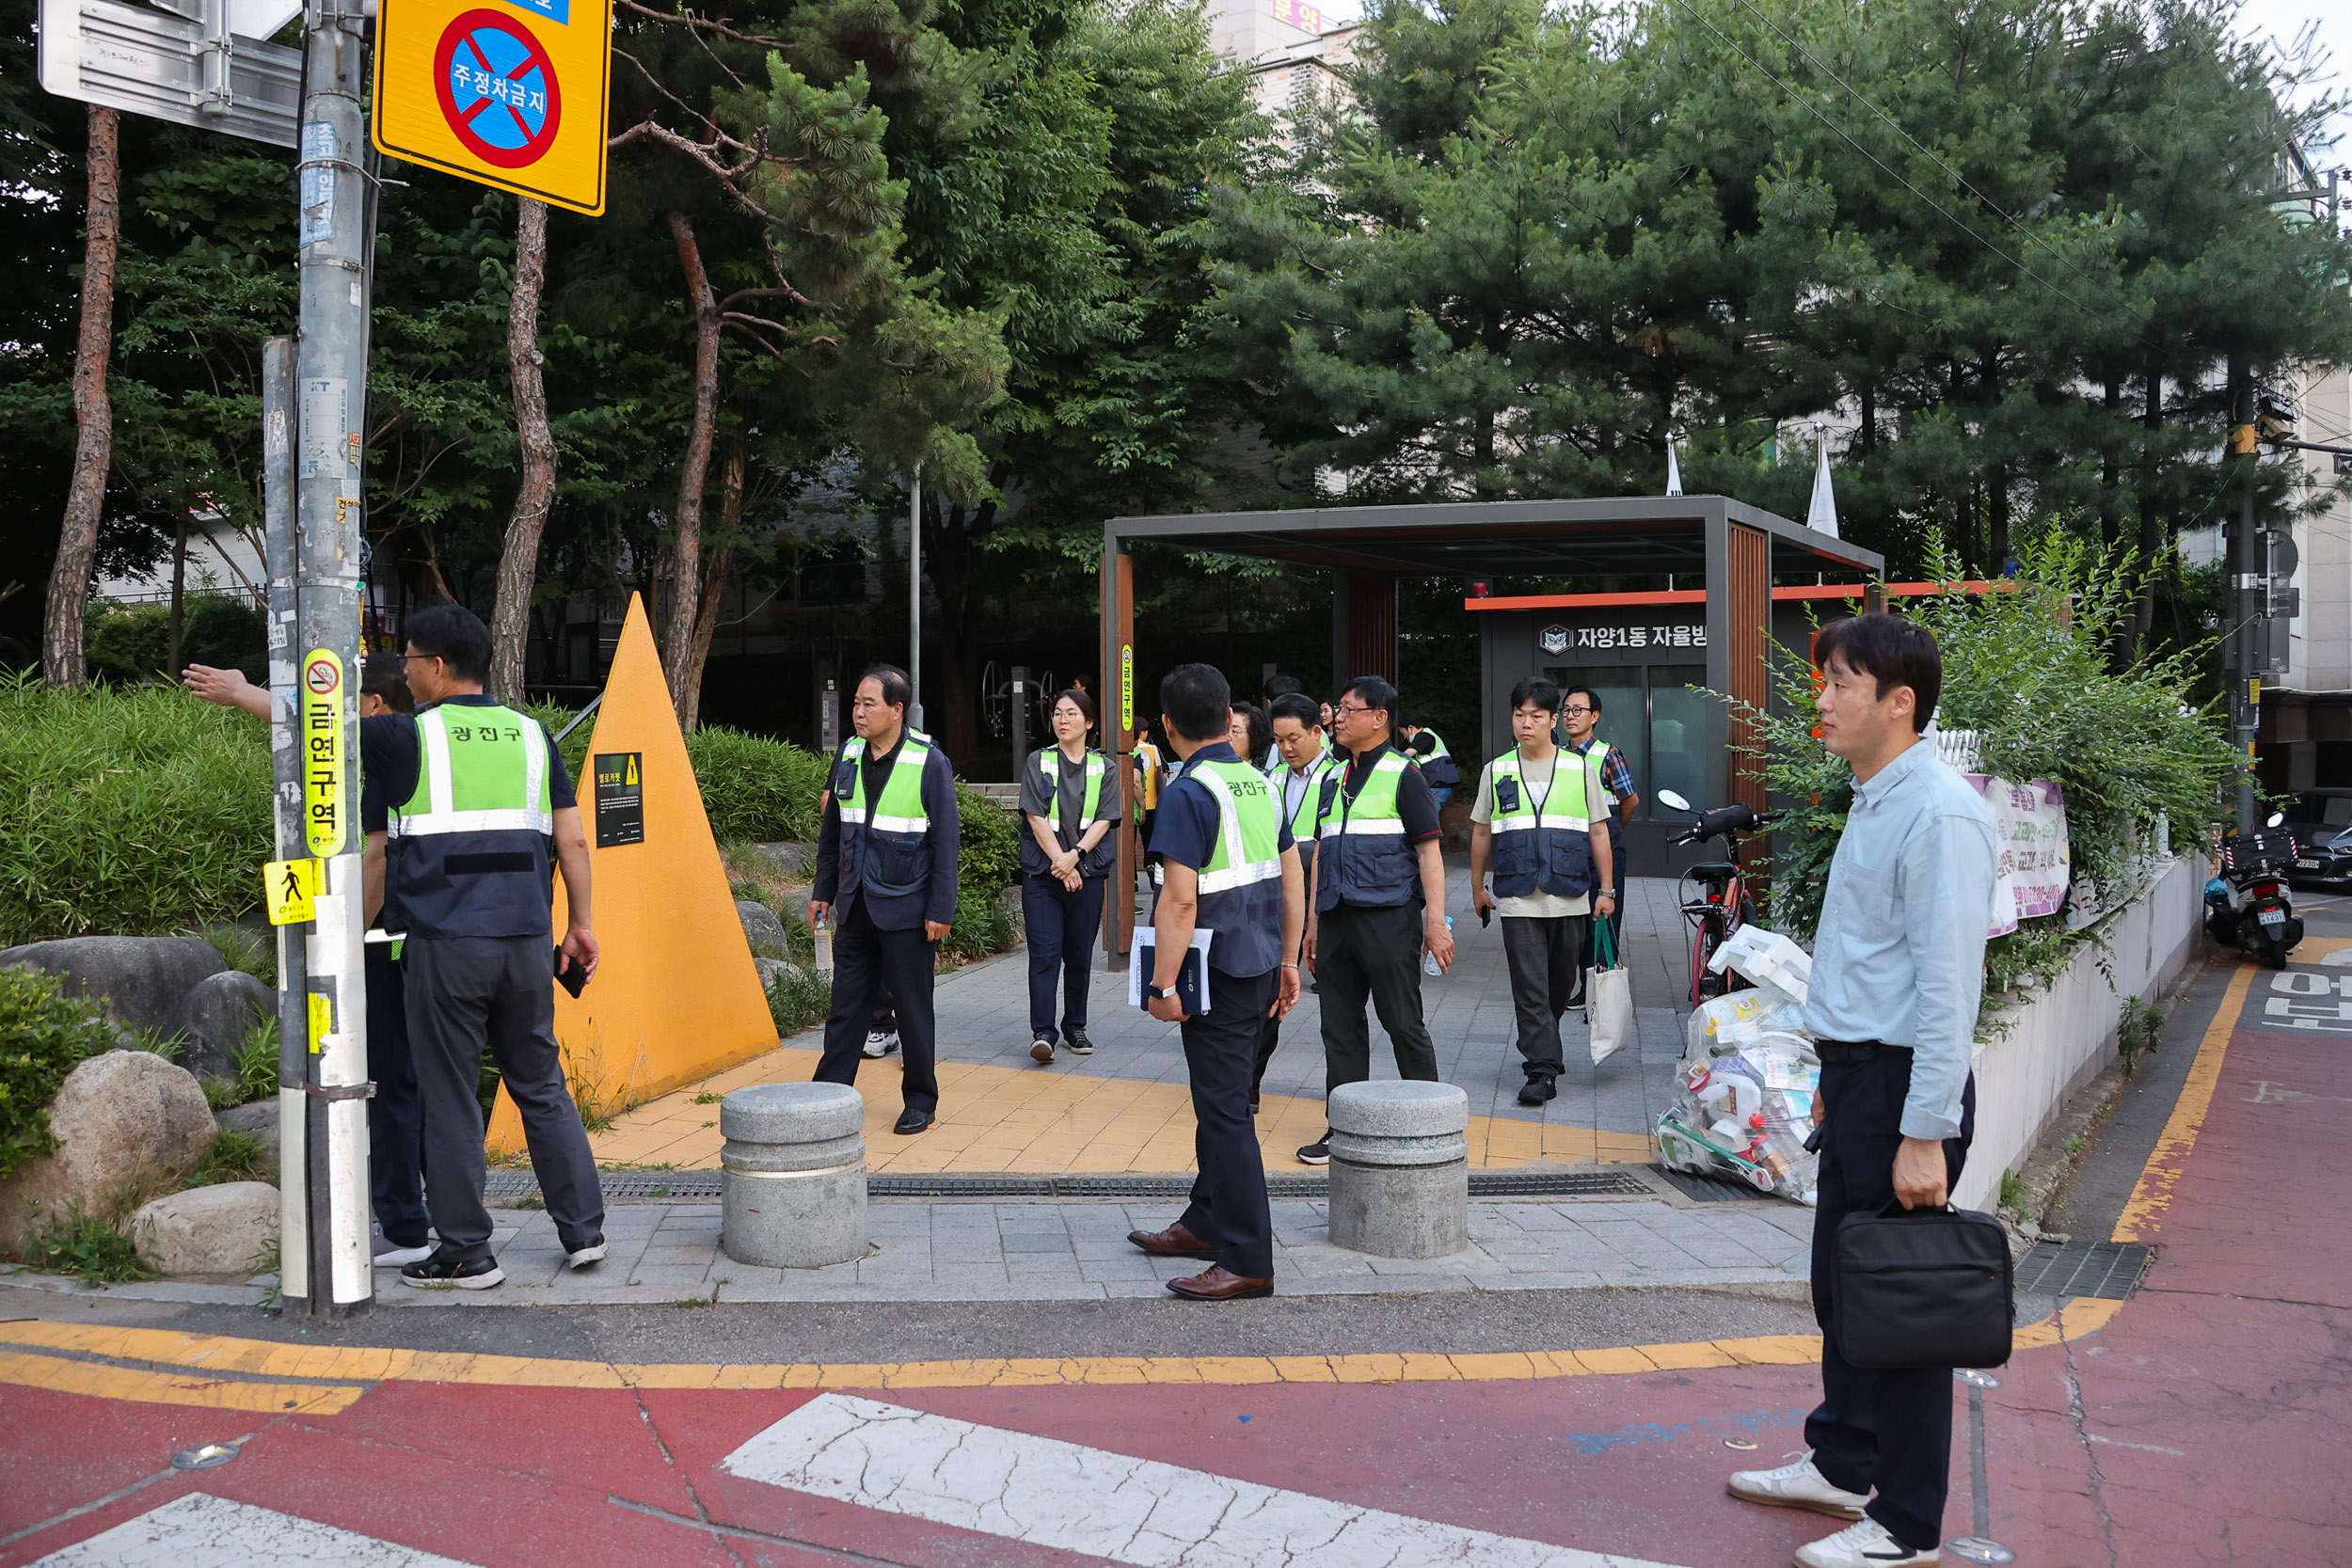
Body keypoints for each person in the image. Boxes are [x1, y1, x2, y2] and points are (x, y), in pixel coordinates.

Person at [183, 602, 608, 1291]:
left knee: (447, 1094)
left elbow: (320, 726)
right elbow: (574, 839)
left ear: (437, 667)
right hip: (529, 942)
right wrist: (580, 924)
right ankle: (584, 1232)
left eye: (409, 659)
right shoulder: (533, 735)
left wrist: (241, 692)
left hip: (448, 945)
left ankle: (469, 1251)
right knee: (542, 1084)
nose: (404, 672)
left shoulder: (408, 738)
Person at [1724, 613, 1994, 1568]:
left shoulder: (1940, 811)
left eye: (1839, 682)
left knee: (1906, 1305)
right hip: (1862, 1078)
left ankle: (1909, 1521)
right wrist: (1842, 1085)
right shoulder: (1877, 795)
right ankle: (1842, 1462)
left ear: (1899, 701)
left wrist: (1922, 1127)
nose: (1821, 699)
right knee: (1846, 1286)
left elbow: (1946, 985)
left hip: (1903, 1086)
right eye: (1823, 680)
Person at [1125, 663, 1305, 1301]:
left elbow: (1179, 901)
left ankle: (1250, 1257)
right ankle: (1205, 1220)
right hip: (1257, 965)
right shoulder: (1257, 780)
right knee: (1217, 1102)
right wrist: (1290, 960)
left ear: (1167, 725)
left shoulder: (1186, 791)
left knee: (1226, 1113)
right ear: (1230, 715)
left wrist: (1161, 984)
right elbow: (1291, 874)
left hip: (1216, 974)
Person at [1295, 674, 1454, 1166]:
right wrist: (1313, 923)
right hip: (1337, 917)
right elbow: (1322, 850)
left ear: (1379, 717)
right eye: (1338, 709)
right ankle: (1342, 1126)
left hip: (1389, 917)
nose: (1337, 717)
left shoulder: (1405, 774)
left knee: (1402, 1021)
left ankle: (1432, 1122)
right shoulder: (1332, 777)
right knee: (1339, 1028)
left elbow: (1430, 852)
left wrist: (1437, 924)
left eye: (1348, 709)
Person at [810, 665, 960, 1134]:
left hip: (908, 909)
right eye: (856, 703)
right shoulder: (849, 754)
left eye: (868, 704)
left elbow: (946, 843)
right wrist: (824, 891)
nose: (858, 712)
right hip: (855, 904)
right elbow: (834, 830)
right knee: (847, 1007)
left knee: (912, 1008)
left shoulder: (928, 760)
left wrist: (940, 909)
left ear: (897, 711)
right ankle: (827, 1096)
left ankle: (920, 1099)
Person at [1468, 676, 1615, 1107]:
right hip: (1517, 892)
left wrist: (1606, 891)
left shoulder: (1579, 768)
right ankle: (1542, 1069)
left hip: (1570, 892)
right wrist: (1478, 886)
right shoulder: (1496, 770)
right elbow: (1481, 831)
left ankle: (1542, 1043)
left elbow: (1599, 831)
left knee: (1558, 984)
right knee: (1529, 986)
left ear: (1554, 720)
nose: (1525, 723)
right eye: (1519, 715)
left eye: (1535, 716)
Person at [355, 657, 430, 1270]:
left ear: (375, 705)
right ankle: (449, 1215)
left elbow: (376, 858)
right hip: (435, 939)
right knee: (433, 1082)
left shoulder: (385, 762)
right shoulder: (434, 751)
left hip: (385, 944)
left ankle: (404, 1222)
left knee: (393, 1081)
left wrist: (347, 934)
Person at [1020, 689, 1119, 1063]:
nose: (1063, 720)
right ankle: (1043, 1032)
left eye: (1072, 714)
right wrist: (1061, 863)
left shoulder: (1104, 767)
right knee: (1044, 955)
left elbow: (1105, 819)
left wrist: (1074, 858)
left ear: (1089, 722)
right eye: (1058, 713)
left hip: (1086, 874)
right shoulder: (1038, 761)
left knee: (1079, 955)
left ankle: (1075, 1026)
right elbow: (1035, 816)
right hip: (1043, 876)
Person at [1252, 692, 1340, 1110]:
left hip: (1321, 881)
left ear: (1317, 732)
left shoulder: (1340, 777)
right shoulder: (1274, 781)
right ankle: (1251, 1079)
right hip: (1279, 886)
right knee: (1268, 987)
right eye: (1279, 741)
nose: (1286, 748)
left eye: (1293, 739)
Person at [1561, 685, 1638, 956]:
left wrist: (1612, 832)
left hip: (1604, 851)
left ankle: (1598, 986)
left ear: (1594, 717)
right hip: (1570, 851)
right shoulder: (1558, 756)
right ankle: (1579, 986)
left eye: (1578, 710)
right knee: (1572, 922)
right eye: (1567, 710)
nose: (1571, 716)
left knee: (1602, 920)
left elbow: (1631, 801)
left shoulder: (1608, 755)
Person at [1399, 717, 1461, 810]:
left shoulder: (1423, 737)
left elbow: (1405, 756)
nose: (1404, 737)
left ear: (1410, 728)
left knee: (1427, 819)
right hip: (1440, 785)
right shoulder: (1429, 735)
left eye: (1403, 733)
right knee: (1427, 817)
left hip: (1437, 786)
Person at [1228, 701, 1275, 774]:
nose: (1227, 736)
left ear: (1254, 738)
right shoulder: (1208, 773)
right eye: (1224, 730)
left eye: (1235, 731)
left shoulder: (1264, 778)